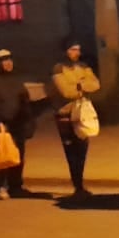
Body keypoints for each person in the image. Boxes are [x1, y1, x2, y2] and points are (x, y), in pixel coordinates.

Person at [51, 39, 100, 200]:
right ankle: (77, 185)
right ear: (66, 50)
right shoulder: (59, 68)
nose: (76, 53)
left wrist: (78, 86)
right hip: (65, 114)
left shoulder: (84, 66)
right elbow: (65, 91)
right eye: (73, 49)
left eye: (78, 49)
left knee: (82, 149)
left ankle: (79, 183)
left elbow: (96, 84)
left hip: (82, 114)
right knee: (71, 151)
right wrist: (82, 86)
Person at [0, 48, 35, 199]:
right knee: (4, 157)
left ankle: (16, 186)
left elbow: (25, 100)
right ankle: (1, 186)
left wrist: (28, 119)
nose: (8, 63)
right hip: (2, 125)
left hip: (18, 123)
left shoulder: (16, 79)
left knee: (18, 157)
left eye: (10, 60)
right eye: (4, 60)